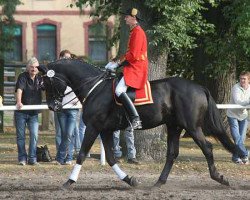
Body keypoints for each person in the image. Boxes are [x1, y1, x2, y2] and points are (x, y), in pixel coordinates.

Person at [105, 7, 148, 130]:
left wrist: (118, 64)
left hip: (136, 68)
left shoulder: (138, 32)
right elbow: (129, 53)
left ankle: (135, 118)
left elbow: (133, 55)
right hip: (132, 66)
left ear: (134, 18)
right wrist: (115, 61)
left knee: (119, 90)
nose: (125, 18)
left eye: (127, 16)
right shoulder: (133, 31)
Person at [15, 57, 42, 165]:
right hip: (21, 112)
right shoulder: (22, 76)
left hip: (33, 113)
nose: (34, 69)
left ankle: (32, 158)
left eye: (36, 67)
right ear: (28, 67)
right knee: (21, 137)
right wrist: (19, 102)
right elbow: (19, 90)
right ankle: (22, 159)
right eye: (31, 67)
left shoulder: (40, 78)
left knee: (34, 135)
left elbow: (47, 88)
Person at [54, 50, 80, 165]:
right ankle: (64, 157)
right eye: (65, 57)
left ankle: (64, 157)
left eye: (69, 58)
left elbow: (80, 87)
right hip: (60, 107)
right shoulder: (54, 72)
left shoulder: (74, 72)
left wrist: (77, 100)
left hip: (73, 107)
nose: (67, 60)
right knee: (62, 133)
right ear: (60, 58)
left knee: (69, 134)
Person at [227, 71, 250, 165]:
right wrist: (249, 101)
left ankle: (235, 157)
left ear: (249, 80)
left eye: (244, 79)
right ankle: (245, 154)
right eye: (241, 78)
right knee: (237, 138)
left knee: (241, 138)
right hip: (232, 115)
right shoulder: (236, 88)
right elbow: (238, 102)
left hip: (244, 116)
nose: (242, 80)